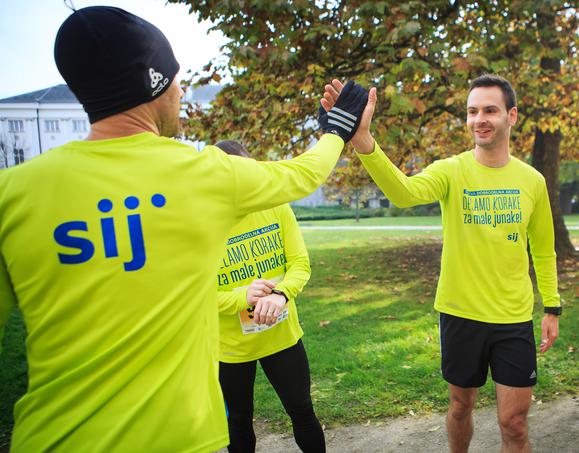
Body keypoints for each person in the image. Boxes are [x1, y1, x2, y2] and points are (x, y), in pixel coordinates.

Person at [0, 6, 368, 452]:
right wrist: (339, 127)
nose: (180, 91)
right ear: (155, 84)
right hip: (179, 438)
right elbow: (303, 174)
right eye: (176, 78)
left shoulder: (13, 192)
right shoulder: (203, 175)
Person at [322, 74, 561, 453]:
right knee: (460, 405)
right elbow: (404, 192)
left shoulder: (532, 181)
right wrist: (364, 142)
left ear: (512, 116)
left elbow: (544, 250)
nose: (479, 119)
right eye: (471, 111)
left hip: (512, 319)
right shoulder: (452, 170)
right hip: (460, 314)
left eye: (490, 110)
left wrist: (552, 306)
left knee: (513, 423)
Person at [213, 140, 324, 453]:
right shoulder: (202, 224)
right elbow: (197, 295)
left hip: (281, 335)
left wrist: (281, 294)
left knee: (302, 411)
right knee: (238, 422)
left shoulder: (275, 205)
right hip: (231, 349)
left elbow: (300, 264)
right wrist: (241, 297)